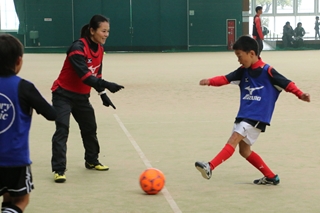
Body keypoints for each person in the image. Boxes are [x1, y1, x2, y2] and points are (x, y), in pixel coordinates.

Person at [194, 35, 310, 185]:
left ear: (252, 53)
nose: (239, 60)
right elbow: (225, 78)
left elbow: (287, 84)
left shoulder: (268, 71)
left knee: (234, 139)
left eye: (239, 56)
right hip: (244, 115)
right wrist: (210, 81)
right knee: (244, 151)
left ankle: (210, 166)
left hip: (257, 117)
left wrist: (300, 94)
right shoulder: (243, 71)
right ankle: (271, 177)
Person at [51, 14, 124, 183]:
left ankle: (92, 161)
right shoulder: (77, 48)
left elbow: (96, 74)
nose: (106, 34)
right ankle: (59, 169)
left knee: (90, 128)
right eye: (103, 31)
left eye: (108, 31)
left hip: (81, 97)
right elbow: (85, 76)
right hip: (63, 95)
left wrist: (102, 94)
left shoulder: (99, 49)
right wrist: (107, 85)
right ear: (92, 31)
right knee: (62, 129)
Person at [0, 34, 57, 212]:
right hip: (15, 159)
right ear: (19, 61)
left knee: (7, 196)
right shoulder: (24, 87)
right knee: (21, 200)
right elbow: (51, 114)